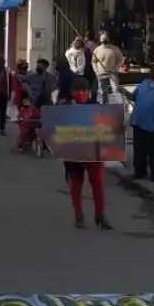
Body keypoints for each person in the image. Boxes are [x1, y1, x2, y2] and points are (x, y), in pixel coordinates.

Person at [59, 77, 111, 229]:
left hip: (94, 152)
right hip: (73, 153)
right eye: (77, 91)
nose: (81, 94)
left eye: (84, 91)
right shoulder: (65, 107)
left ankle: (100, 215)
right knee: (75, 185)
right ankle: (78, 214)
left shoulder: (96, 107)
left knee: (98, 184)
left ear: (88, 92)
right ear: (72, 92)